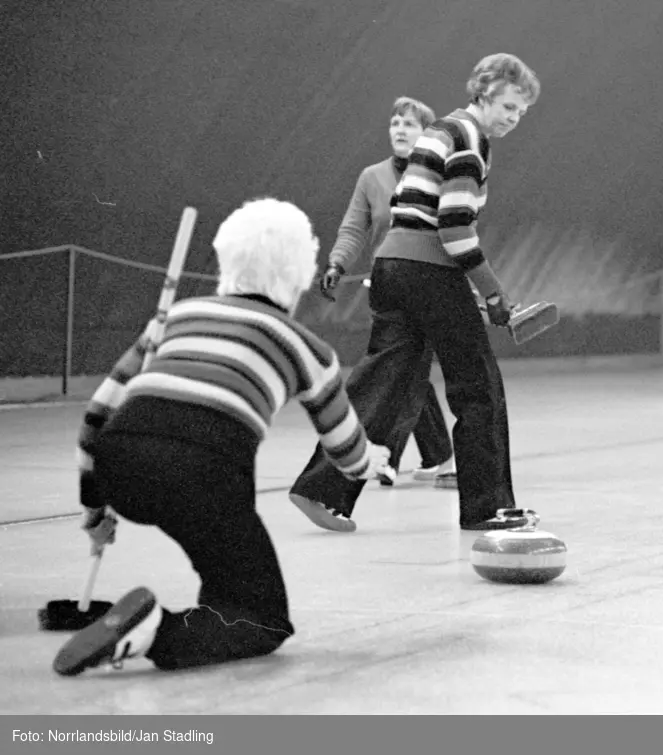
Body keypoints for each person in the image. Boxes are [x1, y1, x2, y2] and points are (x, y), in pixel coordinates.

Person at [52, 198, 393, 677]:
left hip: (121, 465)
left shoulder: (176, 316)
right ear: (299, 274)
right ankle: (151, 630)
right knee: (262, 619)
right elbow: (346, 451)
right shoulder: (306, 348)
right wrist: (372, 461)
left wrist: (95, 506)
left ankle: (191, 618)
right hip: (205, 475)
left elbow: (96, 415)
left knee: (226, 579)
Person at [289, 53, 541, 533]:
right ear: (484, 93)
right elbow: (453, 227)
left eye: (521, 112)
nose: (513, 119)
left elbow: (417, 214)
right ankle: (486, 508)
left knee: (384, 384)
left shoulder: (440, 131)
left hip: (391, 268)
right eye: (509, 107)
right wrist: (492, 292)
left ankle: (320, 489)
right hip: (428, 269)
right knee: (478, 388)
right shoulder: (470, 140)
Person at [320, 96, 457, 489]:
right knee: (407, 368)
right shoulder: (372, 177)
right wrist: (336, 264)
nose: (399, 129)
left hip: (431, 284)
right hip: (387, 287)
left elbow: (454, 230)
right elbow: (353, 227)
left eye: (409, 124)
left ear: (427, 135)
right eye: (395, 122)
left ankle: (386, 456)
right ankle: (440, 457)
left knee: (404, 369)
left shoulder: (441, 176)